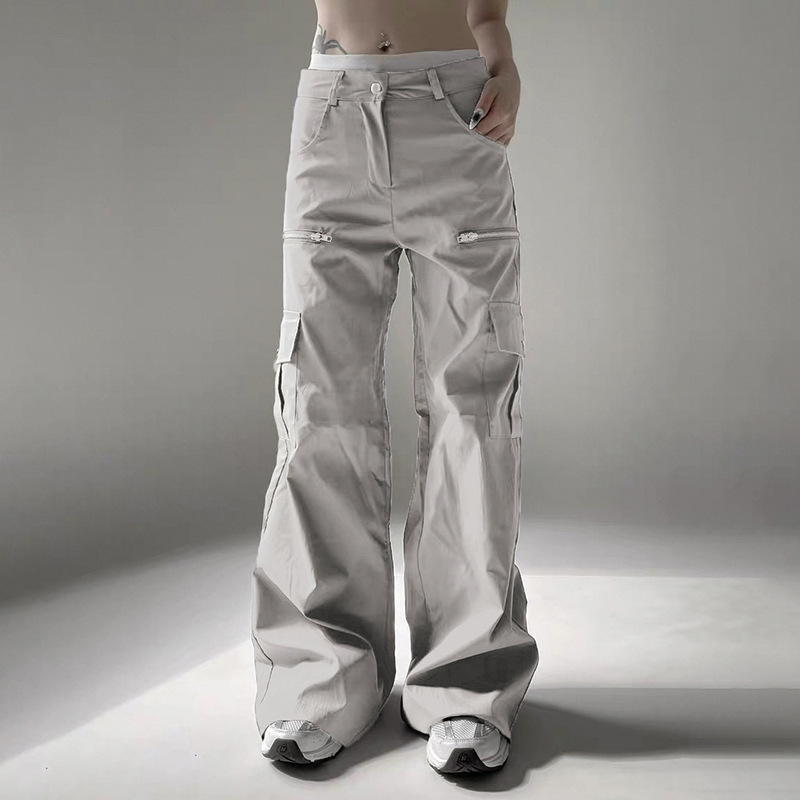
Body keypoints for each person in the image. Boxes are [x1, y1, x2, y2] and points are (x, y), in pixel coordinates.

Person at [251, 0, 539, 775]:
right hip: (335, 112)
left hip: (458, 113)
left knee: (472, 402)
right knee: (320, 401)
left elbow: (485, 7)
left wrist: (502, 59)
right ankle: (321, 677)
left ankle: (467, 682)